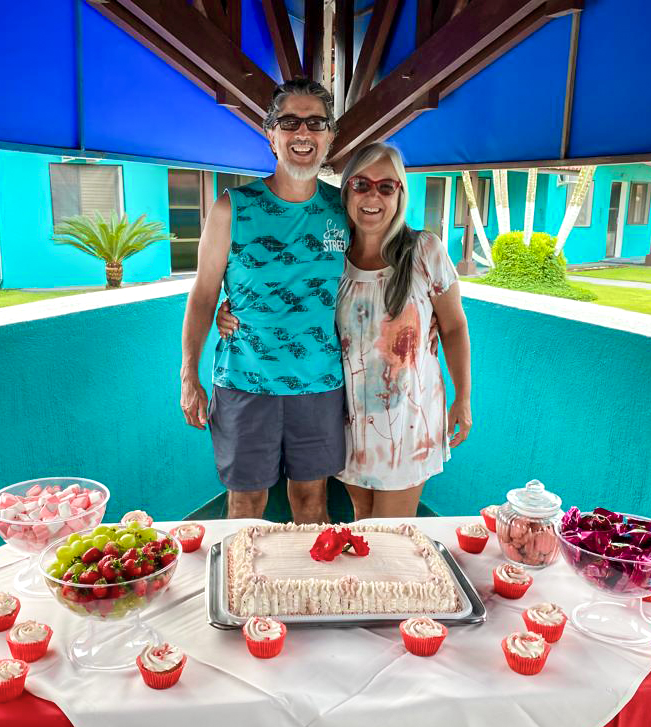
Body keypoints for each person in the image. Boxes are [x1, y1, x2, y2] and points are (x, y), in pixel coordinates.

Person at [217, 142, 472, 520]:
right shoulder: (333, 256)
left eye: (386, 186)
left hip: (407, 423)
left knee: (390, 536)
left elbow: (454, 327)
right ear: (347, 191)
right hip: (349, 421)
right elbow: (293, 302)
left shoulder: (423, 251)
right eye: (361, 184)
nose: (373, 196)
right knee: (362, 524)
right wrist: (233, 311)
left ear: (400, 194)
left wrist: (463, 398)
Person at [180, 78, 348, 523]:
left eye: (316, 123)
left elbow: (378, 273)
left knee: (312, 504)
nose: (303, 133)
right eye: (289, 122)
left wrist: (427, 316)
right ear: (270, 134)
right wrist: (188, 374)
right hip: (244, 382)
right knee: (246, 505)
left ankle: (308, 574)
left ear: (330, 136)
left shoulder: (345, 209)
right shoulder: (232, 208)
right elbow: (203, 294)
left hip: (320, 383)